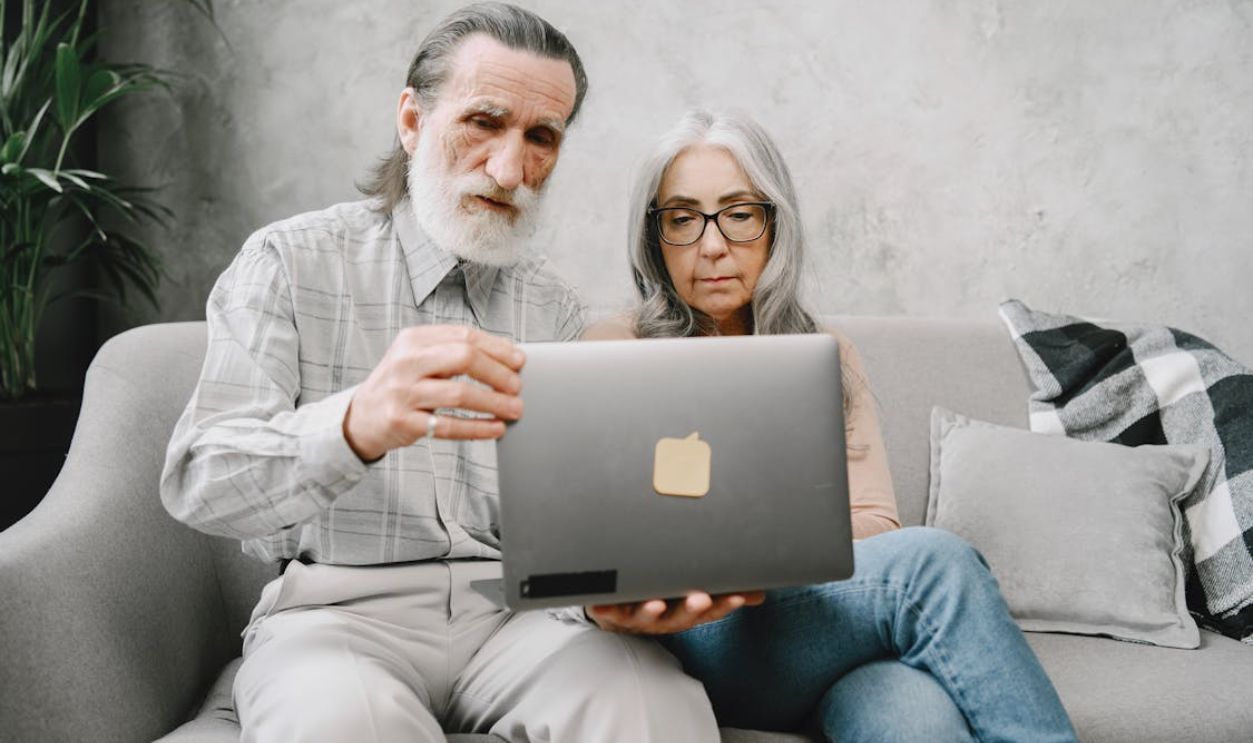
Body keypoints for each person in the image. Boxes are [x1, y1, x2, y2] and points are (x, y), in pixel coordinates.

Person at [159, 5, 723, 742]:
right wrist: (356, 424)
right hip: (337, 617)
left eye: (540, 136)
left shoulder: (550, 304)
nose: (509, 168)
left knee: (658, 708)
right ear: (411, 121)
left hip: (516, 621)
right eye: (483, 121)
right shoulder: (288, 262)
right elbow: (198, 479)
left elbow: (569, 526)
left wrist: (610, 594)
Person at [581, 109, 1081, 743]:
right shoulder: (614, 346)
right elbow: (596, 541)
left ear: (774, 224)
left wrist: (776, 544)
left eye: (738, 213)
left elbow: (876, 522)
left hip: (818, 635)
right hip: (693, 636)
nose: (712, 245)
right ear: (654, 237)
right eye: (682, 219)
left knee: (913, 718)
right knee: (935, 563)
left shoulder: (825, 350)